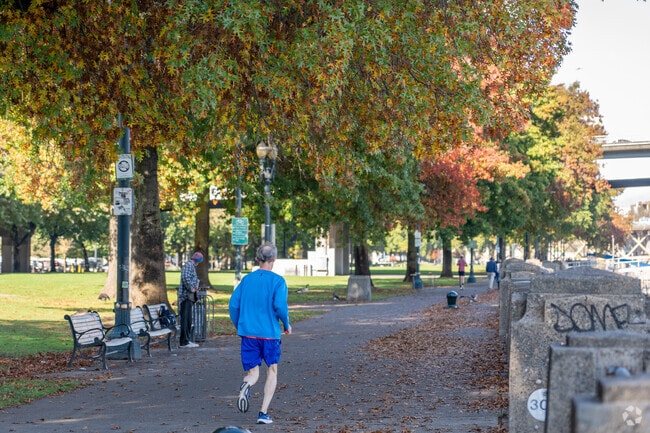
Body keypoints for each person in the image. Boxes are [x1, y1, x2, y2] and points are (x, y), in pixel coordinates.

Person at [229, 242, 291, 425]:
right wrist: (286, 324)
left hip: (248, 334)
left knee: (252, 372)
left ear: (258, 258)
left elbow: (233, 305)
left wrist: (239, 325)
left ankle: (247, 385)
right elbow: (280, 306)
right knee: (272, 370)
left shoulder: (247, 280)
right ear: (274, 259)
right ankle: (263, 413)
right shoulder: (278, 281)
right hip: (269, 334)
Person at [178, 251, 203, 348]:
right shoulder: (188, 265)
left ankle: (186, 340)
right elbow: (185, 277)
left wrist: (196, 285)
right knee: (186, 319)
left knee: (188, 319)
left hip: (189, 296)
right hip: (186, 296)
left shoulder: (190, 266)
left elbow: (192, 278)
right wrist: (192, 288)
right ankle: (184, 342)